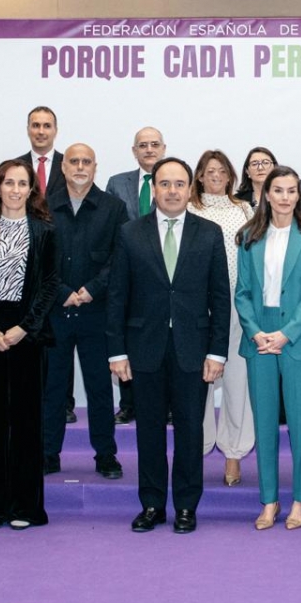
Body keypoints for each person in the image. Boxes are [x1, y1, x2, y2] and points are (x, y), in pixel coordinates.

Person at [107, 157, 231, 535]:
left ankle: (186, 506)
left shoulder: (209, 233)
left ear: (189, 189)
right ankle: (152, 504)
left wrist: (217, 352)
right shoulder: (130, 233)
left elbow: (220, 297)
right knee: (149, 432)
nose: (172, 191)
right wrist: (117, 351)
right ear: (154, 188)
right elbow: (117, 296)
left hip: (193, 350)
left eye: (179, 184)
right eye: (165, 184)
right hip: (144, 349)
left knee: (191, 433)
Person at [0, 159, 59, 530]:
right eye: (9, 183)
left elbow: (50, 284)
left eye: (22, 184)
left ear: (31, 190)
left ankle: (25, 508)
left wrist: (25, 327)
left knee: (26, 422)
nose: (16, 190)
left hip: (27, 334)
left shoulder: (44, 230)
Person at [234, 166, 301, 530]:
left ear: (298, 196)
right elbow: (242, 293)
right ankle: (269, 501)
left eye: (291, 191)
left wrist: (286, 334)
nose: (285, 197)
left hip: (297, 337)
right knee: (265, 425)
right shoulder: (249, 235)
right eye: (279, 190)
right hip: (258, 338)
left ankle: (300, 500)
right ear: (266, 195)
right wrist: (256, 332)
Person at [41, 143, 127, 477]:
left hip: (97, 313)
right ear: (63, 167)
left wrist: (92, 289)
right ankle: (48, 453)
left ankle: (105, 455)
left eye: (86, 162)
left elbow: (120, 257)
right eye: (73, 161)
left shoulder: (113, 207)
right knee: (52, 388)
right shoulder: (44, 206)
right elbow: (39, 258)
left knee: (100, 389)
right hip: (56, 311)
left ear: (95, 167)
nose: (80, 167)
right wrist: (62, 291)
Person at [187, 150, 256, 486]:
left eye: (222, 171)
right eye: (209, 170)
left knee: (237, 380)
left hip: (237, 304)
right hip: (198, 305)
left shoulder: (244, 209)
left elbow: (253, 256)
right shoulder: (188, 208)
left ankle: (233, 453)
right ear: (199, 176)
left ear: (231, 176)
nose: (216, 175)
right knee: (197, 380)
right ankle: (196, 448)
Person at [104, 126, 167, 424]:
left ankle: (168, 405)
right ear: (134, 151)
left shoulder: (175, 180)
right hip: (128, 272)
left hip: (166, 273)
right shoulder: (117, 183)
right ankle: (129, 403)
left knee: (166, 340)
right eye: (143, 145)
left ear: (163, 148)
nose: (149, 149)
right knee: (129, 337)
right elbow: (108, 227)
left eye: (154, 144)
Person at [17, 106, 64, 197]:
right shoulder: (16, 166)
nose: (41, 132)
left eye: (47, 126)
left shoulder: (68, 164)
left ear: (55, 131)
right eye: (36, 125)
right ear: (28, 130)